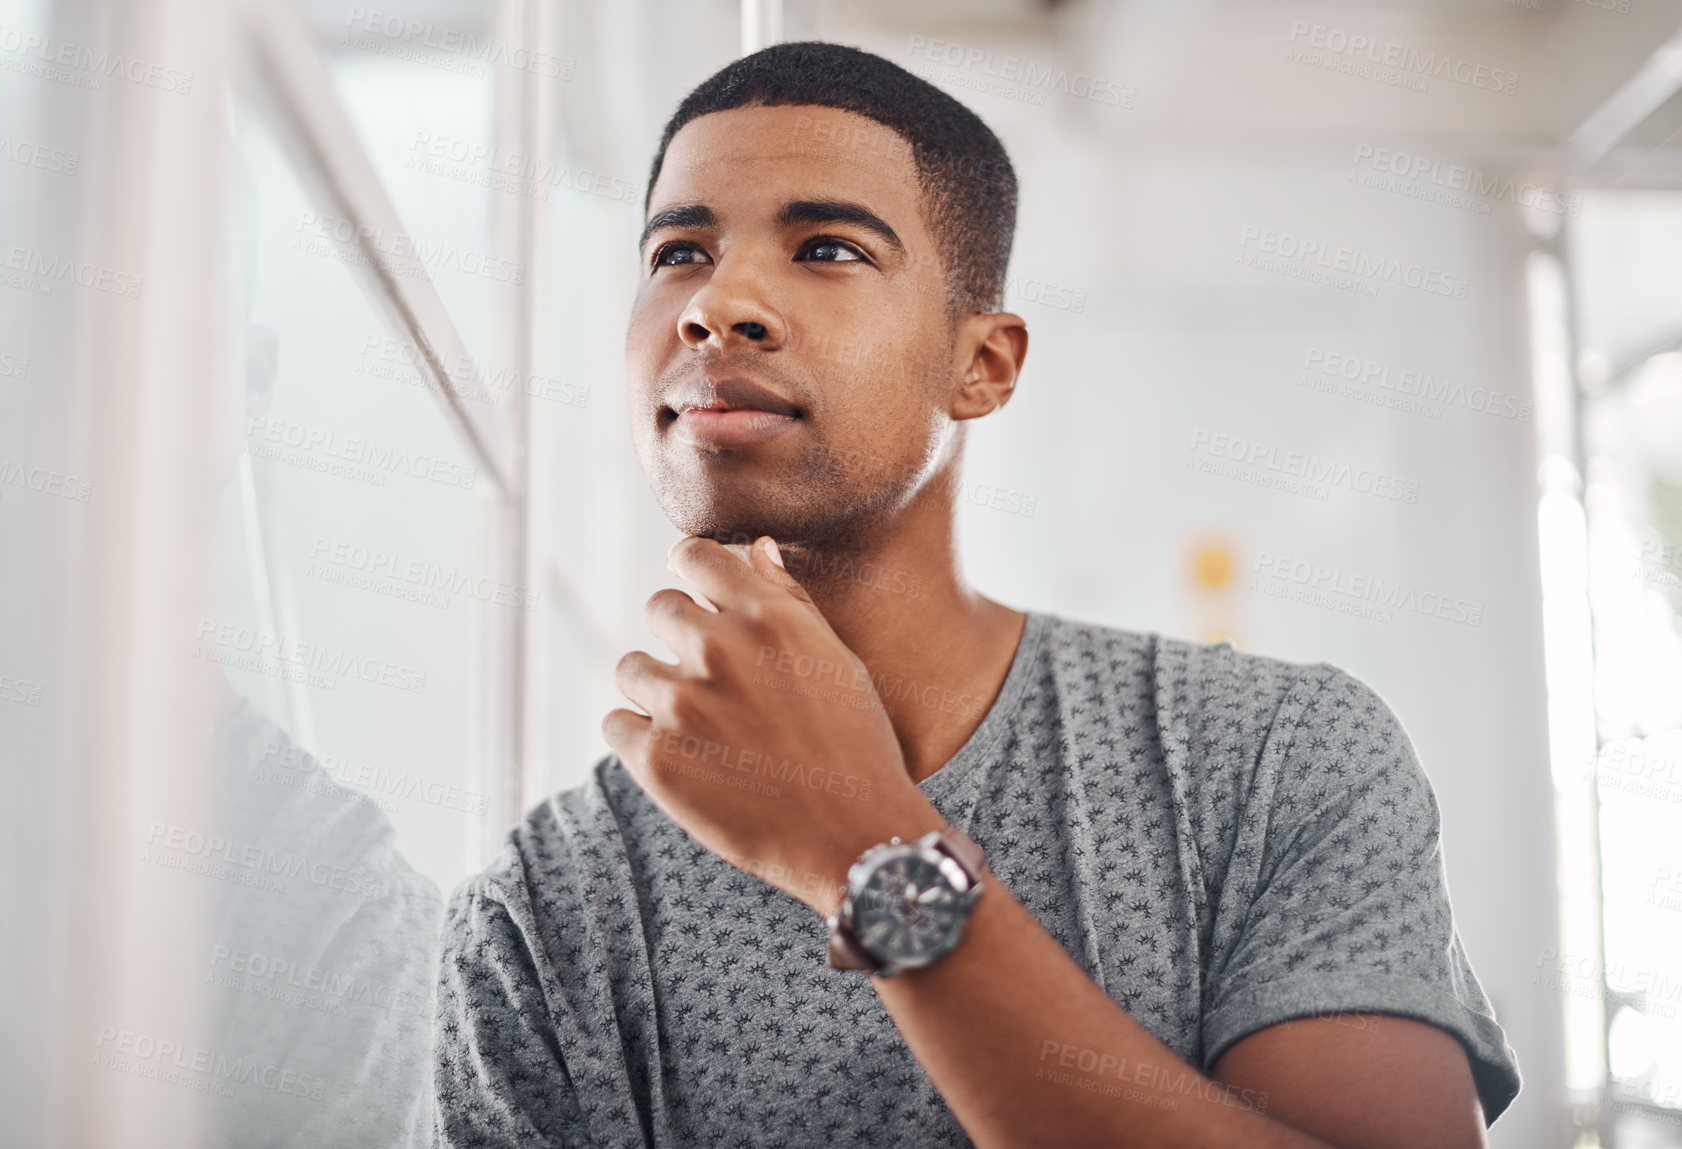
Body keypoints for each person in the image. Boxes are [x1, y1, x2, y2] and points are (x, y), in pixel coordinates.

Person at [432, 41, 1519, 1148]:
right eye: (678, 252)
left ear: (983, 365)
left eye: (824, 247)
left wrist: (870, 847)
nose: (719, 304)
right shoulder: (538, 914)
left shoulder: (1277, 756)